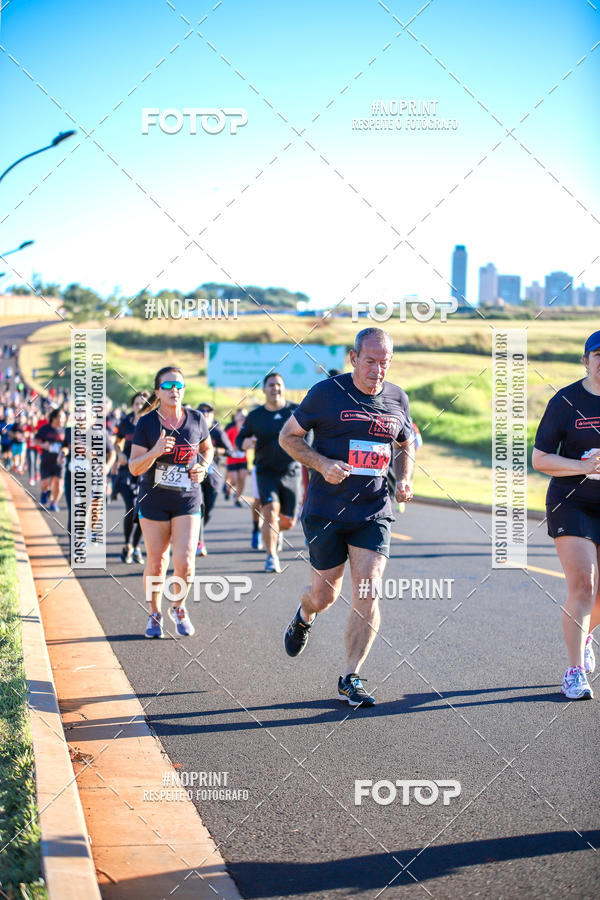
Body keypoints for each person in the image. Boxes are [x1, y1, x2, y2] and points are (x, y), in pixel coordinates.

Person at [279, 328, 414, 707]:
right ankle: (304, 614)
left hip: (373, 510)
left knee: (368, 590)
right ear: (354, 358)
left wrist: (404, 478)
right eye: (370, 361)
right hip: (326, 510)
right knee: (325, 595)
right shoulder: (326, 394)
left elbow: (406, 443)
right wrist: (322, 464)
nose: (377, 370)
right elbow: (288, 437)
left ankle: (350, 676)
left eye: (384, 362)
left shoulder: (397, 398)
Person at [532, 330, 600, 700]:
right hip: (571, 502)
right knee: (584, 585)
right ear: (586, 360)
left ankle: (584, 633)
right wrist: (581, 466)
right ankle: (574, 672)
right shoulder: (566, 401)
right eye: (598, 355)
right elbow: (540, 459)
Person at [129, 367, 213, 639]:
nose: (174, 390)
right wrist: (155, 452)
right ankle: (154, 613)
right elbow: (134, 467)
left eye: (179, 385)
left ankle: (178, 606)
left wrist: (203, 466)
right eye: (167, 385)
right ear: (157, 391)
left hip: (187, 499)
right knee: (156, 562)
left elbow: (207, 448)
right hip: (154, 500)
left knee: (185, 560)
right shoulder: (147, 424)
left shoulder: (197, 419)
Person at [235, 373, 301, 573]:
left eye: (278, 385)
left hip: (291, 471)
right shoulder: (255, 416)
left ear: (284, 388)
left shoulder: (295, 411)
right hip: (265, 471)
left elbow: (310, 434)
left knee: (288, 521)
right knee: (270, 511)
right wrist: (246, 442)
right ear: (264, 390)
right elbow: (240, 439)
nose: (275, 388)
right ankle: (271, 556)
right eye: (271, 385)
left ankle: (275, 531)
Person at [115, 391, 150, 563]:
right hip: (127, 472)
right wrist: (119, 454)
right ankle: (127, 545)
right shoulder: (126, 423)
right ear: (132, 406)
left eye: (143, 403)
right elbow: (117, 442)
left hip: (146, 473)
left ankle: (136, 547)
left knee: (142, 510)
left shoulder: (152, 423)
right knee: (130, 507)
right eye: (137, 403)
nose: (139, 406)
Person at [196, 403, 235, 556]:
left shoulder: (217, 432)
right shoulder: (194, 429)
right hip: (195, 474)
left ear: (213, 415)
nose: (205, 413)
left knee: (208, 511)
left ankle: (194, 533)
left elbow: (230, 451)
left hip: (213, 476)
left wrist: (212, 450)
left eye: (209, 411)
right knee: (198, 508)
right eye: (202, 410)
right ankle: (199, 542)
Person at [36, 407, 66, 511]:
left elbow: (69, 445)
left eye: (64, 418)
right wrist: (42, 445)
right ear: (54, 418)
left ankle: (54, 503)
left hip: (60, 462)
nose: (63, 420)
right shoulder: (44, 429)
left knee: (58, 484)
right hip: (46, 461)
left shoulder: (66, 431)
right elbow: (35, 440)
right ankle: (44, 492)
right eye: (61, 417)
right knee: (46, 483)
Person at [225, 409, 248, 508]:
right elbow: (224, 443)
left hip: (243, 459)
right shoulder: (231, 430)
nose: (243, 418)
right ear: (236, 418)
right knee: (234, 480)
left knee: (242, 479)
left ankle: (237, 499)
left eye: (245, 416)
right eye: (241, 416)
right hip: (232, 459)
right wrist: (232, 448)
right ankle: (228, 488)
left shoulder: (247, 430)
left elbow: (251, 442)